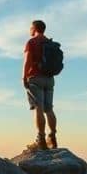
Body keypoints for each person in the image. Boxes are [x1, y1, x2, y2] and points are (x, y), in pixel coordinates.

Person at [23, 19, 57, 150]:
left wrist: (24, 77)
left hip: (35, 78)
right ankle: (52, 138)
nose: (29, 30)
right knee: (49, 109)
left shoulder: (32, 42)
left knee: (38, 109)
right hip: (49, 79)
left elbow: (27, 61)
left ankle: (41, 140)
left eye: (30, 28)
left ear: (35, 28)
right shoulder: (50, 43)